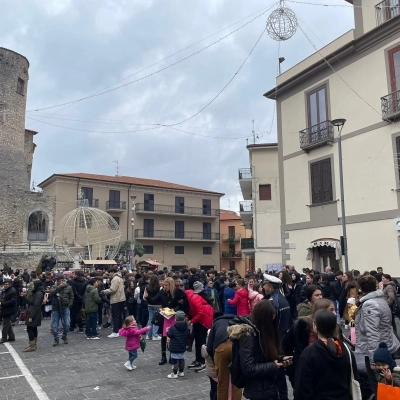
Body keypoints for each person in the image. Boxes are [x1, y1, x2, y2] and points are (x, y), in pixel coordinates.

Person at [228, 300, 292, 400]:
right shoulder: (248, 335)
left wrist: (281, 359)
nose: (271, 324)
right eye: (269, 321)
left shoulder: (263, 331)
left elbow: (263, 356)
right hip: (259, 390)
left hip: (270, 386)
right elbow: (248, 367)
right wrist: (273, 366)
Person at [294, 309, 359, 400]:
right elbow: (354, 377)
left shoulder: (309, 353)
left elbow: (302, 389)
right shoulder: (345, 349)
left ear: (315, 326)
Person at [355, 274, 400, 397]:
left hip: (376, 351)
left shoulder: (369, 304)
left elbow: (373, 333)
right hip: (384, 346)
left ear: (361, 288)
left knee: (379, 386)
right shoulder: (380, 300)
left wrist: (373, 359)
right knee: (387, 385)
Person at [282, 298, 338, 387]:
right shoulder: (301, 325)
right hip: (305, 371)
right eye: (331, 310)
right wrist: (293, 366)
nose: (334, 313)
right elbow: (286, 345)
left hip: (326, 374)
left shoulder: (334, 327)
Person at [207, 314, 242, 400]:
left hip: (221, 347)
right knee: (237, 384)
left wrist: (216, 360)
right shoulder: (239, 322)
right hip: (237, 347)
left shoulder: (216, 323)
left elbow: (209, 347)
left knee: (222, 383)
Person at [186, 281, 214, 372]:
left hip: (203, 320)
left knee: (201, 342)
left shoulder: (194, 297)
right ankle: (198, 360)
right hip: (201, 319)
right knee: (198, 341)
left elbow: (200, 313)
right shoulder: (194, 296)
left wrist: (191, 321)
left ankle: (202, 362)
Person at [101, 268, 126, 338]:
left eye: (110, 273)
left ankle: (116, 331)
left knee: (115, 316)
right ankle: (120, 330)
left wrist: (104, 291)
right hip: (121, 299)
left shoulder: (115, 279)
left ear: (112, 272)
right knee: (119, 316)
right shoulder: (120, 278)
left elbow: (113, 289)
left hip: (116, 299)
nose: (109, 274)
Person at [50, 277, 74, 346]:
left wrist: (69, 305)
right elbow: (52, 293)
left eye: (62, 281)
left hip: (65, 307)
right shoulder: (54, 287)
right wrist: (59, 287)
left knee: (67, 323)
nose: (61, 282)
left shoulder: (69, 287)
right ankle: (56, 339)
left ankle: (64, 336)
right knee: (55, 325)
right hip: (56, 308)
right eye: (59, 281)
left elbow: (72, 297)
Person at [166, 310, 190, 379]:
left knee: (174, 361)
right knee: (181, 360)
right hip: (182, 347)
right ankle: (181, 371)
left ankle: (175, 373)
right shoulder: (186, 328)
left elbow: (169, 334)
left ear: (176, 318)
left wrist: (168, 330)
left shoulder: (173, 327)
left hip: (174, 347)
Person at [23, 280, 44, 352]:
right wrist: (23, 297)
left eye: (33, 285)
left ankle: (32, 345)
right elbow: (31, 302)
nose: (32, 286)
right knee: (33, 328)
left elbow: (36, 305)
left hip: (34, 313)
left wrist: (31, 316)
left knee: (30, 328)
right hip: (33, 312)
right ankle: (33, 345)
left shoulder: (39, 294)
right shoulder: (37, 293)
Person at [0, 279, 17, 344]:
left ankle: (4, 337)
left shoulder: (12, 291)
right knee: (7, 323)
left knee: (5, 324)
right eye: (4, 284)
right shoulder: (6, 290)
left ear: (10, 284)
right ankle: (12, 337)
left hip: (9, 309)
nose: (5, 285)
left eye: (6, 284)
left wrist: (2, 303)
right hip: (6, 309)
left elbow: (13, 301)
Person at [145, 275, 161, 340]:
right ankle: (155, 335)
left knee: (150, 319)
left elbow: (144, 297)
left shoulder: (147, 287)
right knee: (156, 319)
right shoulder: (160, 288)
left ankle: (148, 334)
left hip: (150, 304)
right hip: (158, 305)